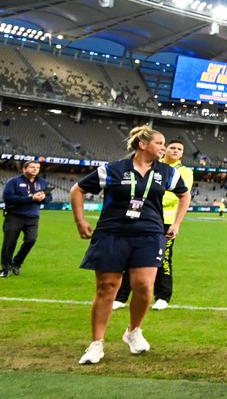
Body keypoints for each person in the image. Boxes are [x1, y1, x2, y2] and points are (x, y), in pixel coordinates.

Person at [71, 126, 190, 365]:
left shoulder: (166, 172)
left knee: (144, 286)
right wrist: (80, 220)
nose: (163, 148)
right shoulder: (114, 169)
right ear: (143, 144)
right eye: (160, 143)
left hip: (149, 233)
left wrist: (176, 223)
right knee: (107, 287)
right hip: (112, 233)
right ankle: (96, 344)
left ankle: (133, 331)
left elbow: (184, 194)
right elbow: (78, 189)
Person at [113, 138, 193, 310]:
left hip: (166, 221)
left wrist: (148, 198)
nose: (175, 151)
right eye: (172, 147)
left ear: (182, 154)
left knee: (163, 258)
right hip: (141, 217)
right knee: (130, 255)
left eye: (179, 149)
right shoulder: (153, 165)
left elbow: (176, 196)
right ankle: (121, 296)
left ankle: (163, 296)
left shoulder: (185, 172)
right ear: (165, 149)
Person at [2, 160, 50, 277]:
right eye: (32, 167)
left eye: (37, 167)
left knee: (31, 240)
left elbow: (49, 198)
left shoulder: (42, 183)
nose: (35, 169)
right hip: (14, 216)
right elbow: (8, 198)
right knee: (9, 242)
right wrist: (31, 198)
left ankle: (17, 263)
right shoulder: (14, 182)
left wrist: (44, 198)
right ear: (24, 169)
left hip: (33, 217)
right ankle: (6, 267)